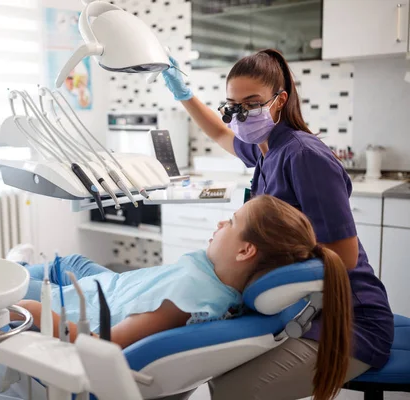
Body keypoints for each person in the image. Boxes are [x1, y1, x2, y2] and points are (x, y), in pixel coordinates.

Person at [160, 48, 394, 399]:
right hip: (301, 308)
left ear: (279, 100)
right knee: (206, 369)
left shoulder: (304, 156)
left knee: (234, 391)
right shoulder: (267, 147)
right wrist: (184, 94)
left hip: (349, 319)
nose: (240, 115)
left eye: (251, 104)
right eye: (232, 106)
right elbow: (222, 136)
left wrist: (251, 254)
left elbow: (342, 256)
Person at [13, 195, 353, 400]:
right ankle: (23, 266)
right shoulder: (218, 281)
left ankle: (19, 269)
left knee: (23, 287)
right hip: (119, 287)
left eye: (231, 222)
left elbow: (108, 342)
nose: (221, 222)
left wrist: (36, 313)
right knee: (70, 264)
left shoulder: (187, 300)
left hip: (85, 305)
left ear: (246, 250)